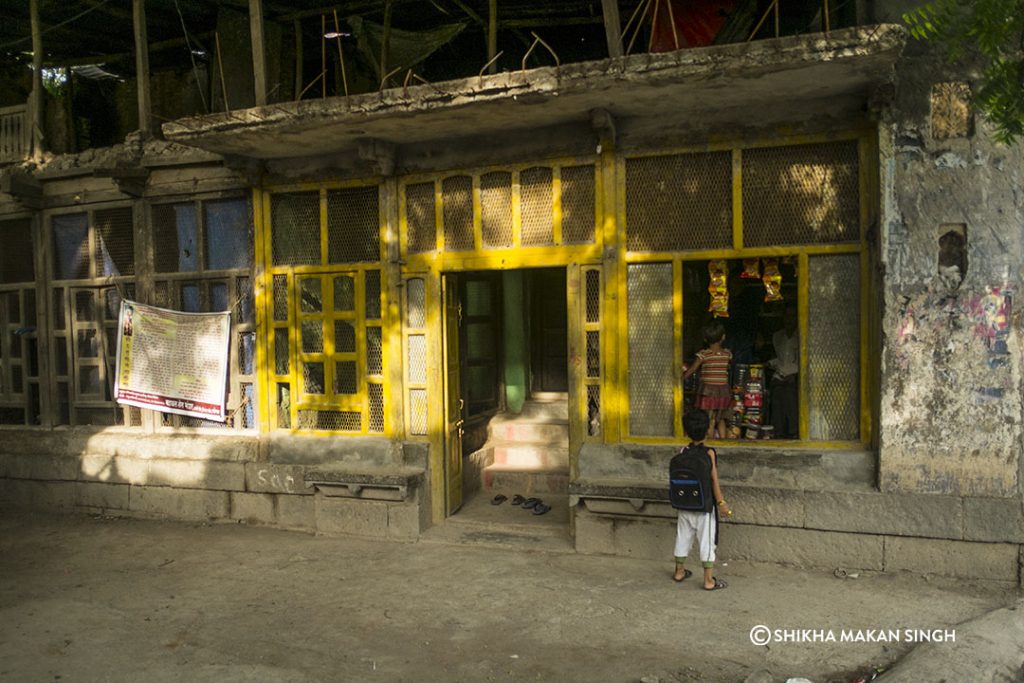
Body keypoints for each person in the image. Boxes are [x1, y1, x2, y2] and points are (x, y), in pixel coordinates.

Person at [671, 410, 732, 590]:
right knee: (706, 541)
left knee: (682, 537)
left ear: (686, 431)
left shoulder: (683, 451)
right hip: (704, 507)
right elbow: (714, 480)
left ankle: (679, 571)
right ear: (708, 430)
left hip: (685, 504)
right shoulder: (709, 453)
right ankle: (708, 580)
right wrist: (721, 503)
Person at [683, 321, 732, 440]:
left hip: (708, 391)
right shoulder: (727, 354)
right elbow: (727, 367)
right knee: (720, 419)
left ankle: (710, 442)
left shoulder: (703, 354)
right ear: (723, 337)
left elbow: (693, 369)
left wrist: (681, 378)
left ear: (705, 339)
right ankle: (723, 442)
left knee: (708, 420)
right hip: (723, 391)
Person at [769, 304, 799, 439]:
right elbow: (780, 359)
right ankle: (778, 432)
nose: (789, 320)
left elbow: (804, 361)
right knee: (777, 395)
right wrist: (769, 364)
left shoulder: (801, 337)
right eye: (787, 316)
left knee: (789, 393)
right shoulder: (777, 336)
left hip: (795, 377)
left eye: (793, 316)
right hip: (780, 376)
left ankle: (793, 431)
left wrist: (795, 375)